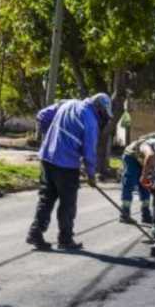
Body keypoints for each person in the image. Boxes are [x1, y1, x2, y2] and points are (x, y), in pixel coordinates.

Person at [26, 93, 113, 250]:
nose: (103, 118)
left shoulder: (68, 103)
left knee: (46, 198)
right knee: (67, 204)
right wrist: (91, 175)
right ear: (99, 109)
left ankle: (35, 233)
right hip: (66, 165)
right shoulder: (91, 120)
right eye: (104, 114)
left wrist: (50, 137)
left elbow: (42, 115)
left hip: (47, 158)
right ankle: (65, 240)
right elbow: (89, 152)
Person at [118, 131, 155, 224]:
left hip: (144, 158)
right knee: (129, 182)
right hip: (132, 156)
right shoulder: (154, 142)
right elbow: (150, 155)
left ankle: (146, 214)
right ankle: (125, 212)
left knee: (146, 184)